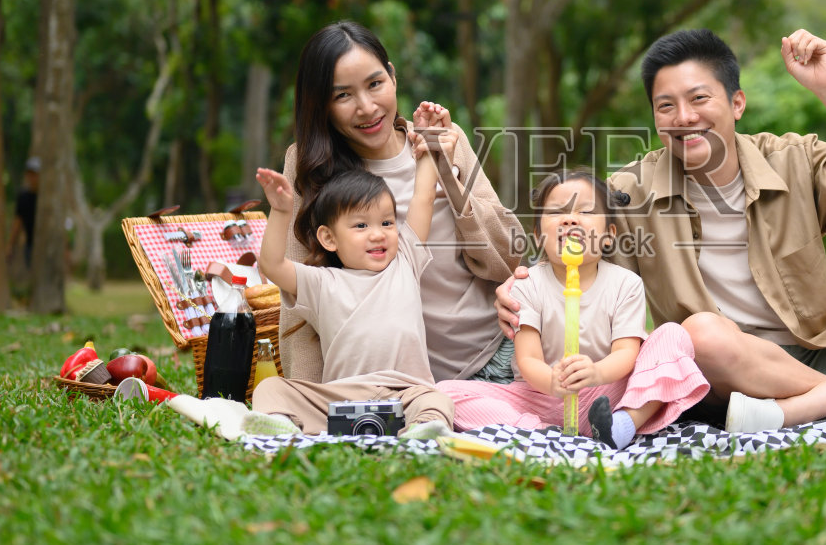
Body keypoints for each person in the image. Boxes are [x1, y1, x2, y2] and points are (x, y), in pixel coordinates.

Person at [497, 28, 826, 433]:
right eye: (665, 106)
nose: (683, 117)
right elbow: (569, 247)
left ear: (737, 103)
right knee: (701, 334)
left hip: (823, 350)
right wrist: (520, 288)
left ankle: (797, 411)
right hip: (725, 370)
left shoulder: (793, 159)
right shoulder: (630, 190)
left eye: (699, 98)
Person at [274, 22, 523, 387]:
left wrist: (446, 172)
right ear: (321, 105)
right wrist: (311, 399)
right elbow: (299, 303)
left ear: (393, 77)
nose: (367, 107)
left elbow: (509, 255)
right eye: (342, 96)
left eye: (375, 84)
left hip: (498, 352)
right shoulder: (308, 167)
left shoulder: (445, 142)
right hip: (407, 386)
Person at [441, 171, 708, 448]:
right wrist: (552, 381)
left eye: (585, 211)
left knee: (673, 336)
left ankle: (622, 425)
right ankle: (539, 431)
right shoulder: (527, 285)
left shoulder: (625, 284)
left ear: (608, 236)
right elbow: (529, 358)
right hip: (541, 397)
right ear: (538, 235)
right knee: (446, 393)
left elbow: (626, 353)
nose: (569, 219)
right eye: (557, 212)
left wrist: (596, 374)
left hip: (608, 393)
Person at [246, 103, 457, 435]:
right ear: (329, 238)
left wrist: (430, 146)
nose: (378, 233)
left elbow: (422, 198)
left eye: (387, 222)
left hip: (405, 393)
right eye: (360, 226)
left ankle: (423, 430)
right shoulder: (321, 282)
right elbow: (272, 264)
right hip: (340, 401)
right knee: (271, 388)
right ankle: (281, 424)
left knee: (438, 399)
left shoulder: (405, 261)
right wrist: (281, 211)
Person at [8, 157, 40, 265]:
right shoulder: (23, 197)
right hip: (30, 245)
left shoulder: (45, 199)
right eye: (30, 174)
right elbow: (18, 222)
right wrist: (10, 245)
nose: (32, 178)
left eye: (35, 174)